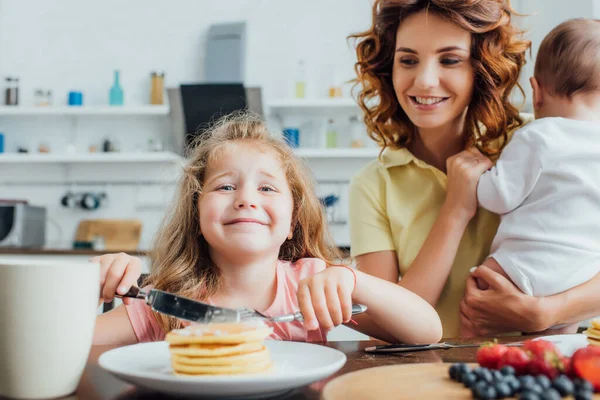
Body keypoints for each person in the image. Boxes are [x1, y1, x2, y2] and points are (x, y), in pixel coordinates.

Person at [348, 0, 600, 338]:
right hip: (424, 380)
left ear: (481, 68)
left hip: (531, 374)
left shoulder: (539, 141)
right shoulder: (373, 185)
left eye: (450, 60)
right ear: (388, 69)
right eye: (408, 60)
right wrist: (455, 209)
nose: (424, 81)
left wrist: (544, 312)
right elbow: (384, 322)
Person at [92, 112, 442, 346]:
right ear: (196, 216)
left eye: (267, 188)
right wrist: (86, 288)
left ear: (292, 222)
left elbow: (427, 330)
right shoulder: (168, 303)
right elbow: (60, 344)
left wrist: (352, 279)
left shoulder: (309, 284)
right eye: (225, 187)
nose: (245, 199)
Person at [461, 18, 600, 337]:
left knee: (476, 304)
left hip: (523, 265)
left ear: (536, 92)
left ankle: (468, 359)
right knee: (554, 344)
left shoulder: (538, 135)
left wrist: (480, 176)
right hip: (581, 274)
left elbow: (498, 198)